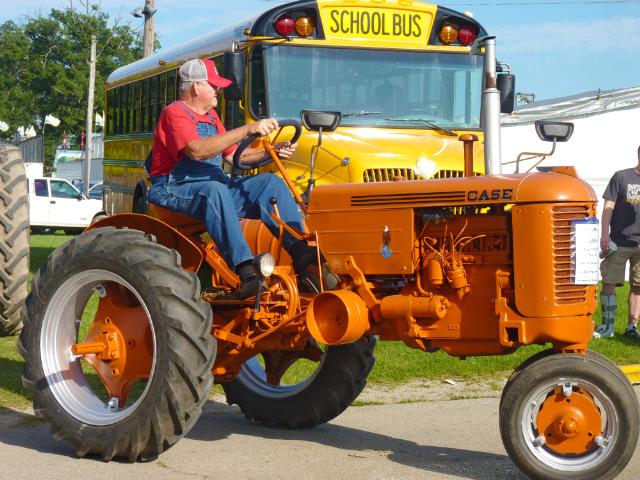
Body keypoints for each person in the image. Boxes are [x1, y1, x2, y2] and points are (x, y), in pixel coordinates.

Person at [148, 58, 336, 299]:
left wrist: (272, 151)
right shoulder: (175, 113)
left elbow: (234, 156)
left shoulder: (211, 116)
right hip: (174, 187)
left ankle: (304, 257)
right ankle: (246, 271)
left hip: (215, 187)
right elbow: (197, 150)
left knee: (270, 184)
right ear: (196, 87)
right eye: (213, 86)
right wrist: (247, 129)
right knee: (214, 190)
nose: (219, 90)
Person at [595, 145, 640, 339]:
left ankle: (632, 327)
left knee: (638, 285)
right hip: (618, 242)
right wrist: (605, 234)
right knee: (609, 282)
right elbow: (608, 207)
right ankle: (607, 327)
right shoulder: (621, 177)